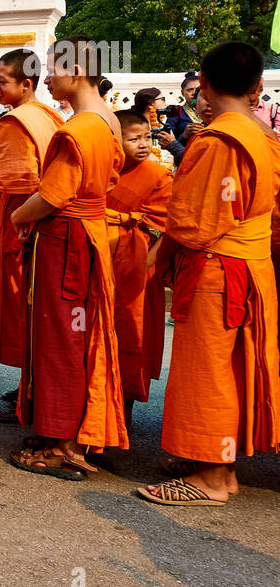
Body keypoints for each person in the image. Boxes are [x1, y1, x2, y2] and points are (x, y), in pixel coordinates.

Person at [142, 42, 280, 506]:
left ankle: (215, 477)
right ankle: (212, 459)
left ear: (202, 84)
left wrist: (153, 262)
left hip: (219, 269)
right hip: (250, 265)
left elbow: (192, 223)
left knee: (210, 370)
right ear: (259, 88)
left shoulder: (219, 142)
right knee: (233, 367)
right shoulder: (260, 136)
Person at [8, 36, 126, 478]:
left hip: (66, 241)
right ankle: (74, 432)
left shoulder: (78, 129)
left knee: (62, 339)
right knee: (80, 335)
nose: (49, 80)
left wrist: (21, 214)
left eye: (54, 71)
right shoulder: (107, 121)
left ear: (75, 71)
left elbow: (54, 195)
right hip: (88, 234)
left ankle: (64, 442)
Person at [0, 51, 64, 415]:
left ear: (25, 84)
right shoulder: (50, 116)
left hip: (22, 222)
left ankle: (29, 395)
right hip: (43, 222)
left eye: (2, 82)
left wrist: (17, 228)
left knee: (24, 308)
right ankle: (29, 389)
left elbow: (18, 183)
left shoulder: (16, 122)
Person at [106, 109, 171, 421]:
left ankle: (124, 411)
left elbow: (164, 228)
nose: (143, 144)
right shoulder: (103, 171)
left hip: (139, 272)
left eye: (147, 137)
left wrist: (146, 265)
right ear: (115, 141)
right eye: (134, 138)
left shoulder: (158, 175)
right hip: (103, 265)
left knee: (132, 340)